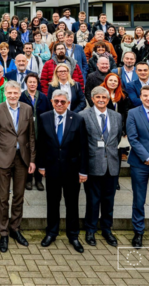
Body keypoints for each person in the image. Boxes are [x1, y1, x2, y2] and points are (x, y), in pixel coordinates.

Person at [37, 89, 87, 253]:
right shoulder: (44, 117)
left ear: (68, 103)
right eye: (56, 101)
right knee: (52, 202)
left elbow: (83, 147)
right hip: (51, 168)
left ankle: (73, 235)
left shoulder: (78, 119)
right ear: (51, 102)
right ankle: (51, 232)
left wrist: (83, 171)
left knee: (72, 204)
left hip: (71, 170)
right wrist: (41, 166)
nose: (59, 104)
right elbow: (40, 144)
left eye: (63, 102)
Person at [0, 81, 35, 252]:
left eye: (16, 93)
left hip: (22, 159)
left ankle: (15, 229)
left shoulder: (27, 109)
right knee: (3, 198)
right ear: (5, 93)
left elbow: (31, 136)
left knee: (19, 196)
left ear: (20, 93)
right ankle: (3, 233)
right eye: (10, 93)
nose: (13, 96)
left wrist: (32, 160)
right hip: (3, 159)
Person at [80, 86, 123, 247]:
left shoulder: (116, 116)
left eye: (104, 97)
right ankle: (90, 230)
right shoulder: (83, 115)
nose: (101, 100)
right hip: (93, 164)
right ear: (92, 99)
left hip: (112, 165)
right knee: (92, 200)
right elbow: (82, 142)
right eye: (98, 97)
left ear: (108, 99)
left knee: (108, 200)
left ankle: (106, 229)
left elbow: (116, 139)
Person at [19, 73, 51, 191]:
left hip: (40, 131)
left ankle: (38, 180)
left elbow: (48, 113)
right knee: (27, 155)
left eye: (34, 82)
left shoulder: (43, 97)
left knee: (40, 156)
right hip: (26, 131)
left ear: (37, 84)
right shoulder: (22, 97)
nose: (32, 84)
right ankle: (28, 179)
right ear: (26, 83)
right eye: (30, 82)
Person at [126, 85, 149, 247]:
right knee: (139, 199)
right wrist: (146, 157)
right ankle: (138, 232)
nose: (148, 98)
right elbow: (133, 138)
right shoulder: (133, 113)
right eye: (145, 95)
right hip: (140, 164)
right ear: (140, 97)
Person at [101, 73, 131, 178]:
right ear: (106, 81)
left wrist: (125, 128)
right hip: (104, 126)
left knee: (116, 153)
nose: (113, 83)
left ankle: (115, 178)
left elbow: (126, 112)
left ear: (118, 83)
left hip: (118, 127)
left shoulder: (123, 94)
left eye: (115, 81)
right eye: (111, 80)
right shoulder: (100, 93)